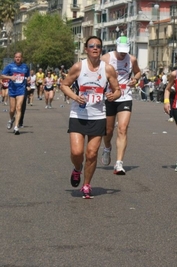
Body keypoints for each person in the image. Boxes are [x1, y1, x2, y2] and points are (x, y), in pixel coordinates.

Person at [60, 36, 121, 199]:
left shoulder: (107, 69)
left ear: (101, 50)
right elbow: (64, 85)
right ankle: (77, 168)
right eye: (92, 46)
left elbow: (118, 90)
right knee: (77, 152)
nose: (95, 48)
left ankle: (86, 184)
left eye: (98, 46)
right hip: (78, 114)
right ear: (86, 49)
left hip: (98, 115)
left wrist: (112, 96)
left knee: (92, 153)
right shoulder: (78, 67)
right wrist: (74, 96)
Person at [100, 35, 141, 175]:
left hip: (125, 96)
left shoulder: (132, 59)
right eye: (121, 50)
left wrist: (135, 79)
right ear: (116, 47)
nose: (123, 53)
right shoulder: (106, 58)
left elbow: (138, 72)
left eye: (125, 50)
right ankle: (107, 148)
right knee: (108, 130)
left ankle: (119, 164)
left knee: (123, 129)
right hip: (109, 96)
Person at [1, 52, 30, 135]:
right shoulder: (10, 66)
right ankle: (11, 119)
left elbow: (27, 76)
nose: (18, 58)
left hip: (21, 90)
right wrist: (10, 77)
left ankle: (16, 127)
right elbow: (1, 76)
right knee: (12, 110)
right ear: (14, 58)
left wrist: (28, 80)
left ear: (22, 58)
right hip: (12, 90)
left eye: (19, 57)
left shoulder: (25, 67)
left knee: (19, 108)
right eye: (16, 57)